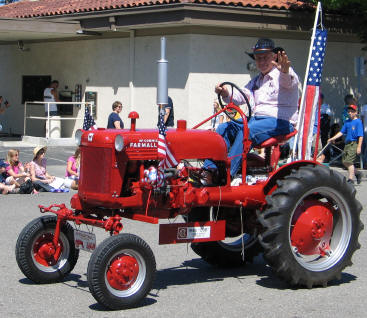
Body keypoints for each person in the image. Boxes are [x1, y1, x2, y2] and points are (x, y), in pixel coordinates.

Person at [205, 38, 299, 179]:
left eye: (265, 58)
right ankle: (209, 171)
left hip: (281, 122)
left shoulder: (283, 74)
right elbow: (242, 95)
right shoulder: (257, 80)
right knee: (223, 128)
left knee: (247, 130)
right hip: (256, 120)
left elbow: (289, 81)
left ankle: (226, 175)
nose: (261, 62)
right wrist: (225, 92)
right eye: (258, 58)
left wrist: (285, 71)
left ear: (274, 57)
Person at [328, 104, 363, 184]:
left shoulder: (358, 122)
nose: (350, 113)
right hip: (347, 144)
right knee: (344, 161)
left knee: (349, 161)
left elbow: (360, 135)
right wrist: (333, 138)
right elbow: (341, 132)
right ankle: (357, 173)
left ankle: (351, 179)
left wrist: (359, 147)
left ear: (356, 112)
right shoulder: (347, 122)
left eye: (352, 111)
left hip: (354, 143)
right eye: (349, 111)